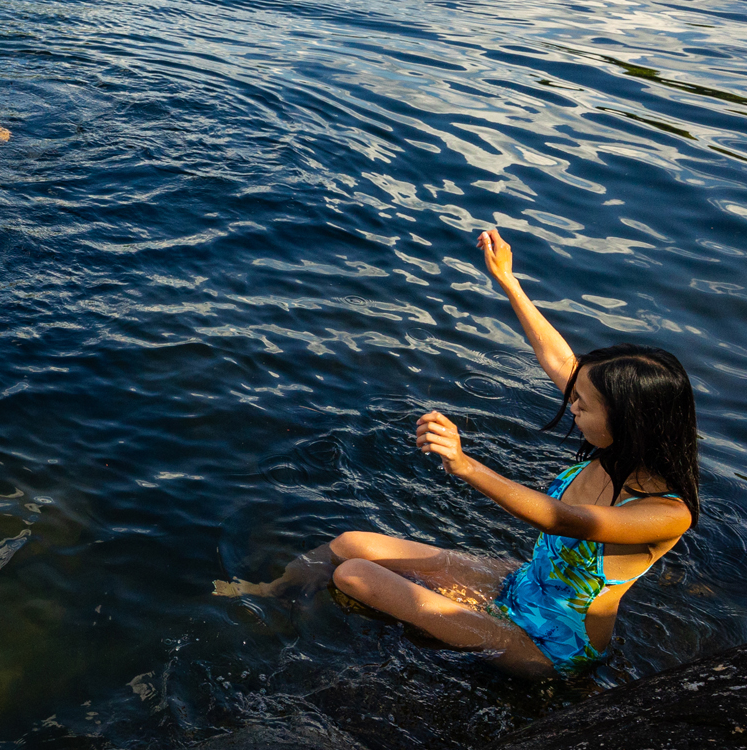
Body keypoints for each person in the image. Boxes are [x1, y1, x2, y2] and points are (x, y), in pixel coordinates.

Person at [214, 229, 700, 679]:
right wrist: (508, 282)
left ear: (629, 420)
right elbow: (561, 360)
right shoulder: (610, 441)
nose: (570, 407)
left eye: (582, 404)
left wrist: (465, 464)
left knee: (356, 576)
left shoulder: (667, 513)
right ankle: (273, 597)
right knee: (350, 544)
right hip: (520, 585)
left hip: (555, 645)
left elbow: (565, 520)